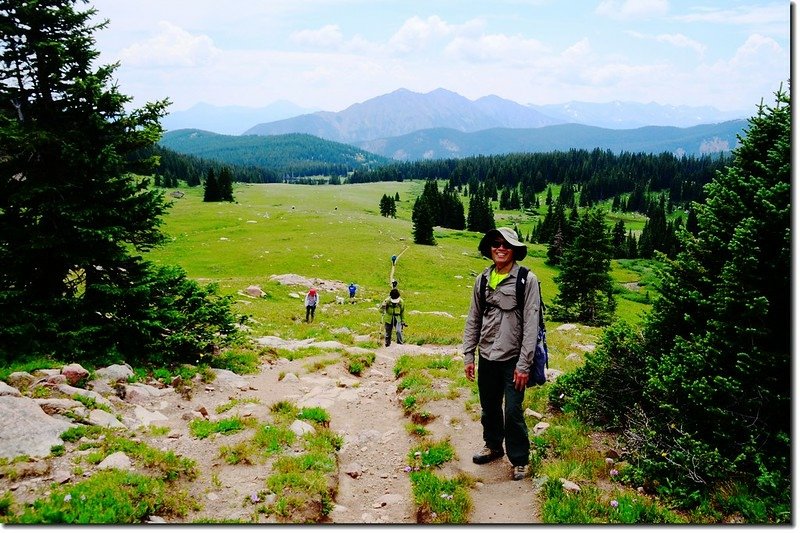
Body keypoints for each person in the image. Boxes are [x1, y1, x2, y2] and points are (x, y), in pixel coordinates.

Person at [462, 227, 540, 481]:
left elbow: (531, 325)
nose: (501, 248)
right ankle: (493, 446)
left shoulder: (527, 280)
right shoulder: (482, 280)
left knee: (514, 410)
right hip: (487, 356)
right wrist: (469, 356)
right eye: (496, 243)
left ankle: (519, 459)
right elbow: (473, 319)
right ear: (490, 248)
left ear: (515, 250)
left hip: (514, 360)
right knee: (489, 408)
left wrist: (524, 365)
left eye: (506, 244)